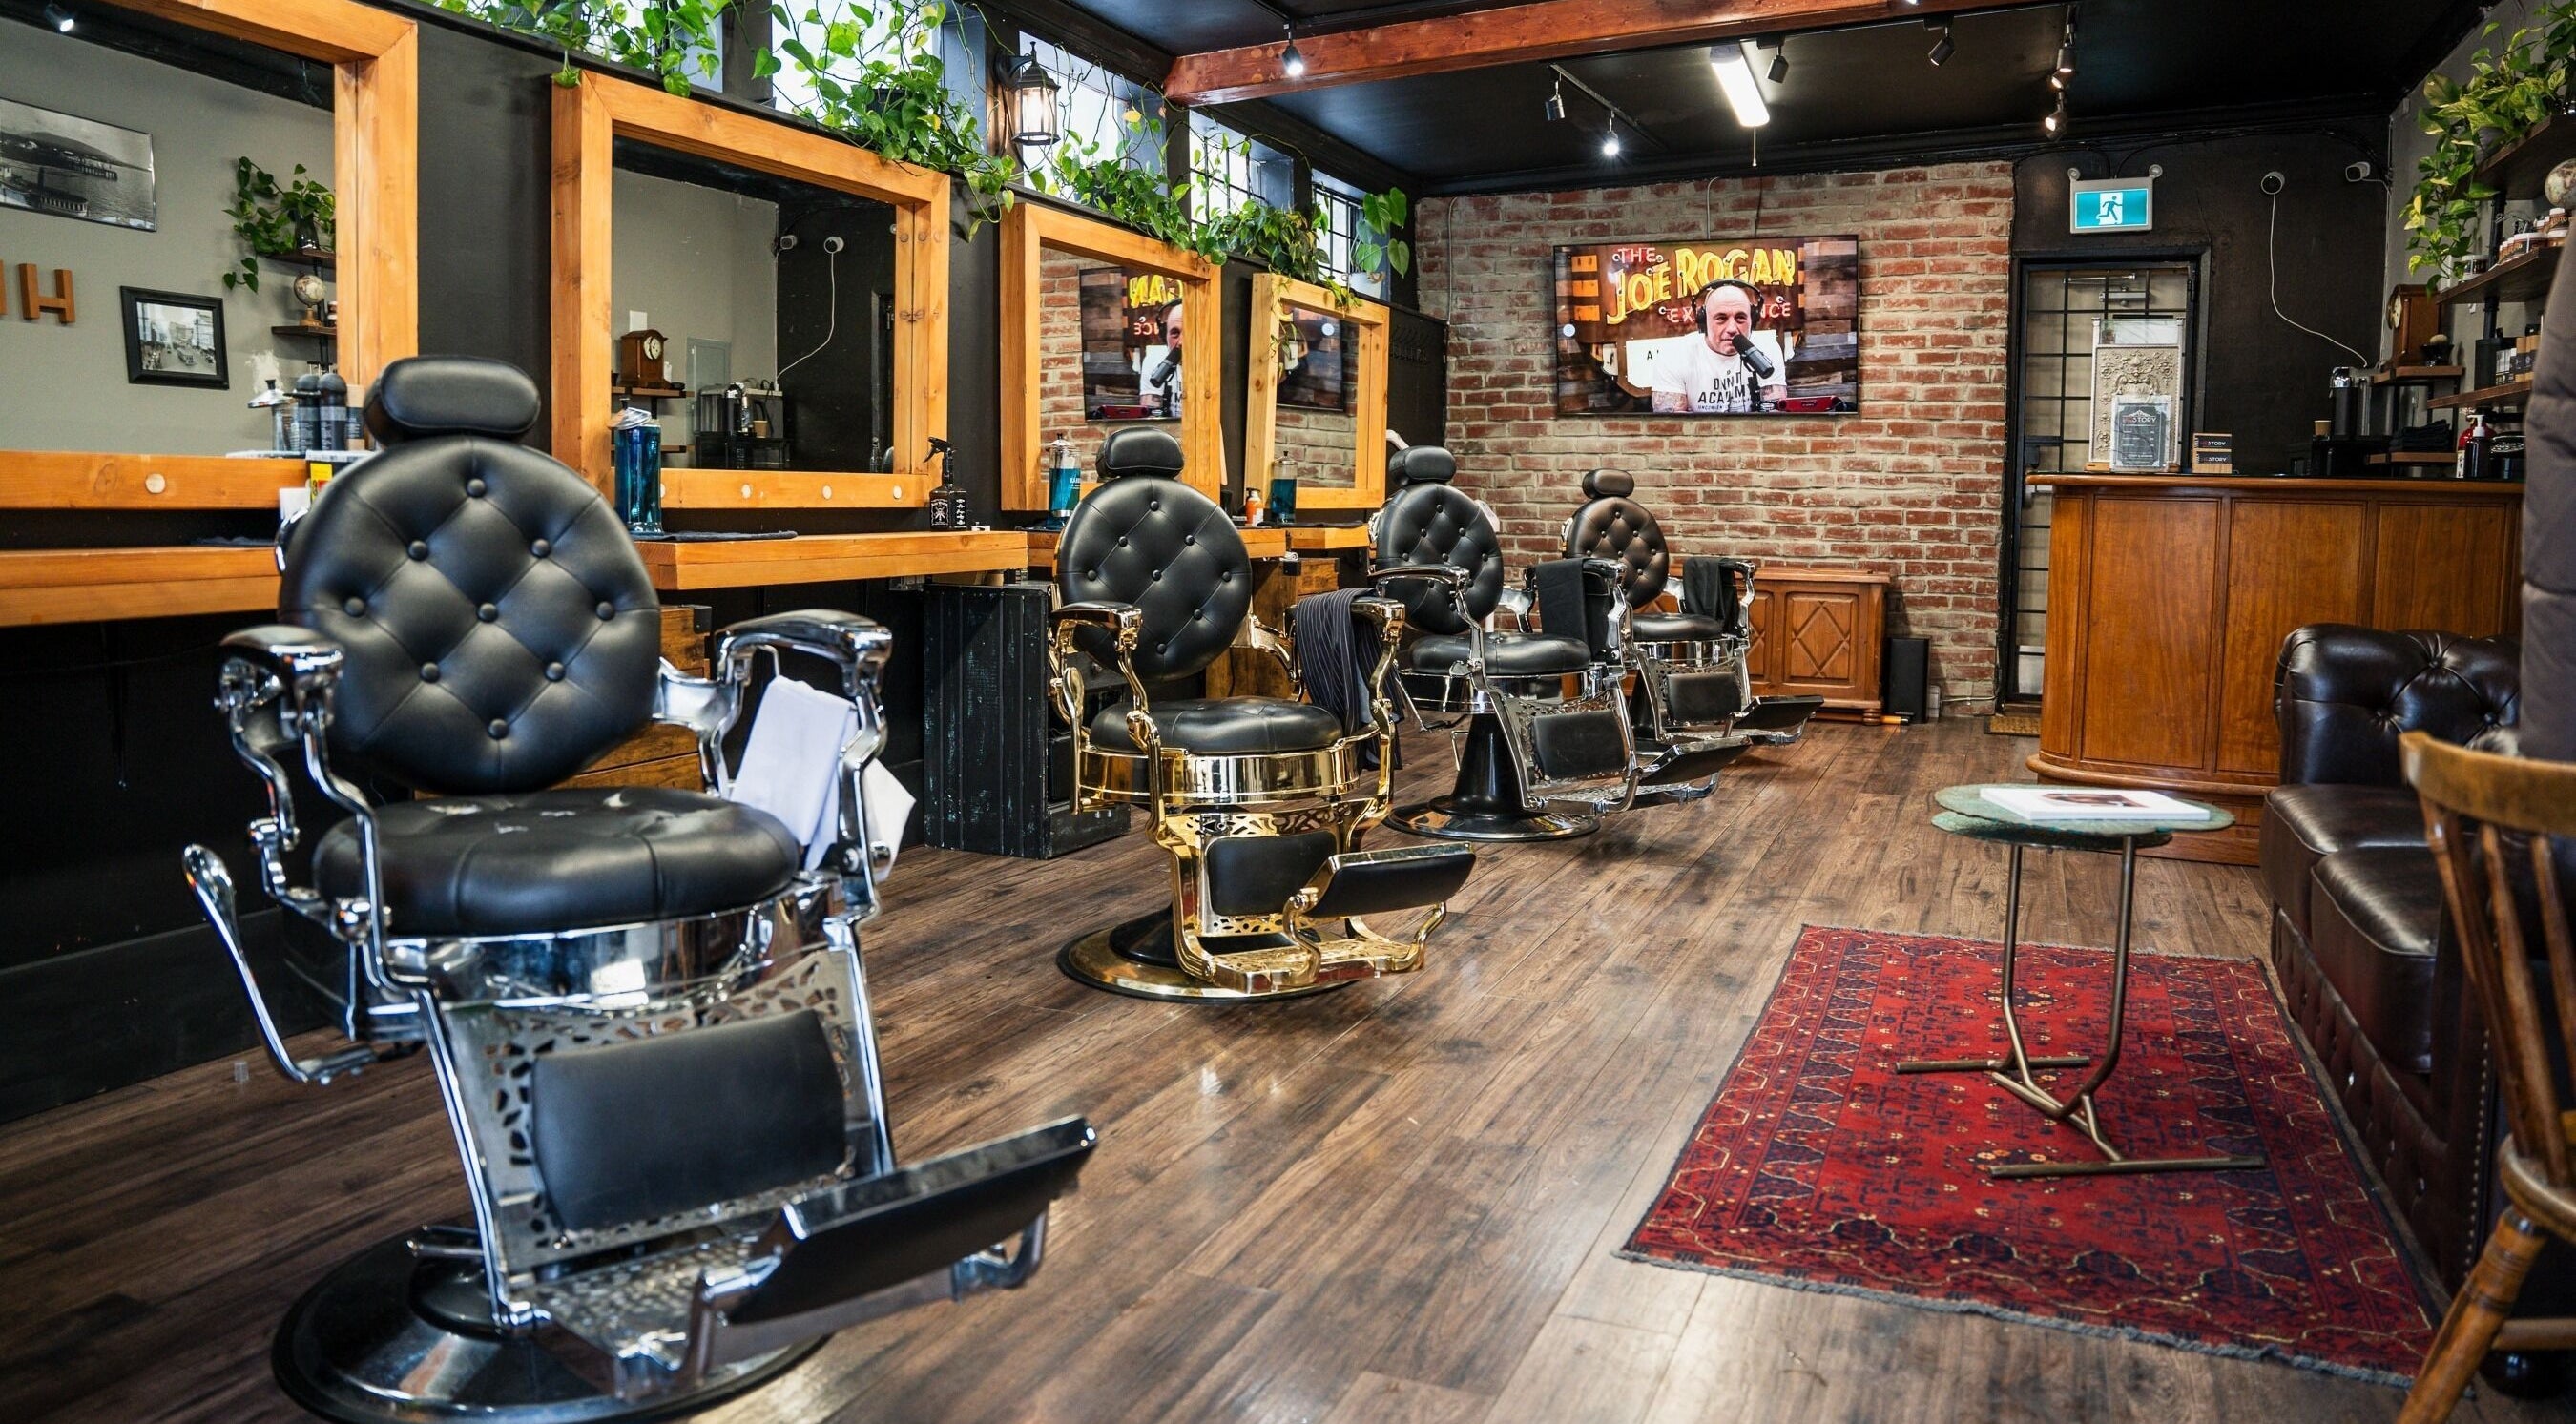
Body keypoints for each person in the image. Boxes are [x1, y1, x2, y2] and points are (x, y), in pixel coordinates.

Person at [1650, 279, 1787, 414]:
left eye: (1740, 318)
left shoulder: (1766, 349)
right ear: (1704, 322)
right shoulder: (1675, 355)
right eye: (1721, 318)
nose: (1732, 328)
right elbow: (1671, 427)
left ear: (1753, 320)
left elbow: (1775, 419)